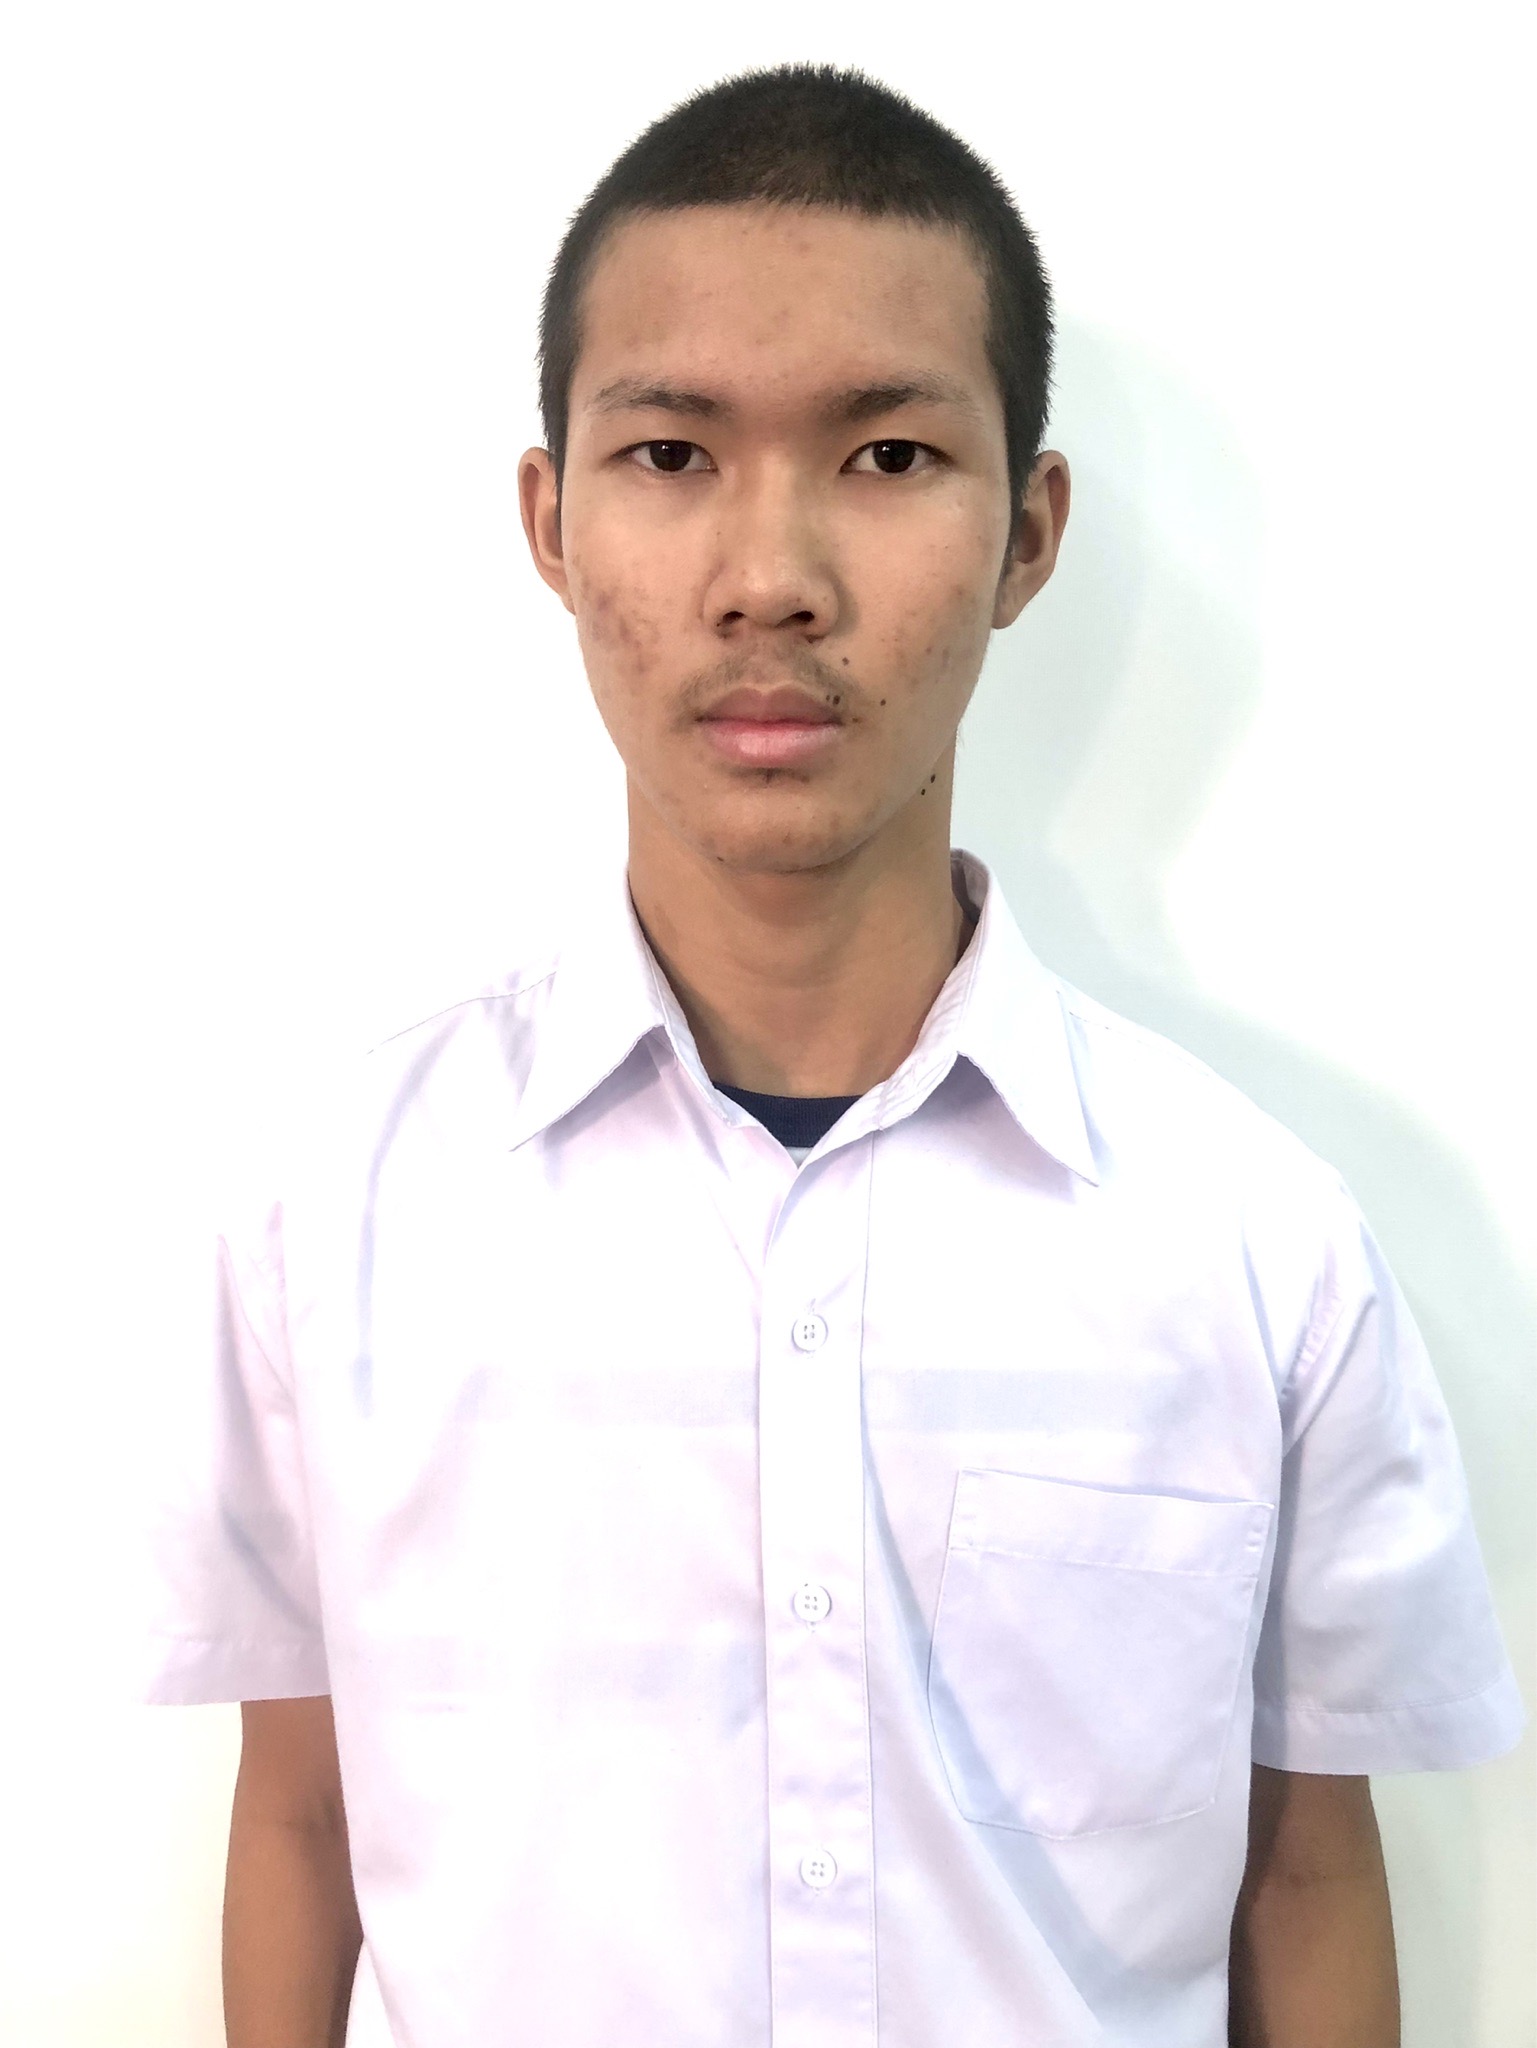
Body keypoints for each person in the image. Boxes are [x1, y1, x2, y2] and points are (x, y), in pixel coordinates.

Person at [136, 62, 1525, 2048]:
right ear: (549, 521)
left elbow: (1301, 1873)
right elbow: (301, 1815)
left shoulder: (1255, 1244)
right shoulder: (331, 1213)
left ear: (1026, 534)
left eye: (885, 454)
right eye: (669, 452)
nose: (769, 570)